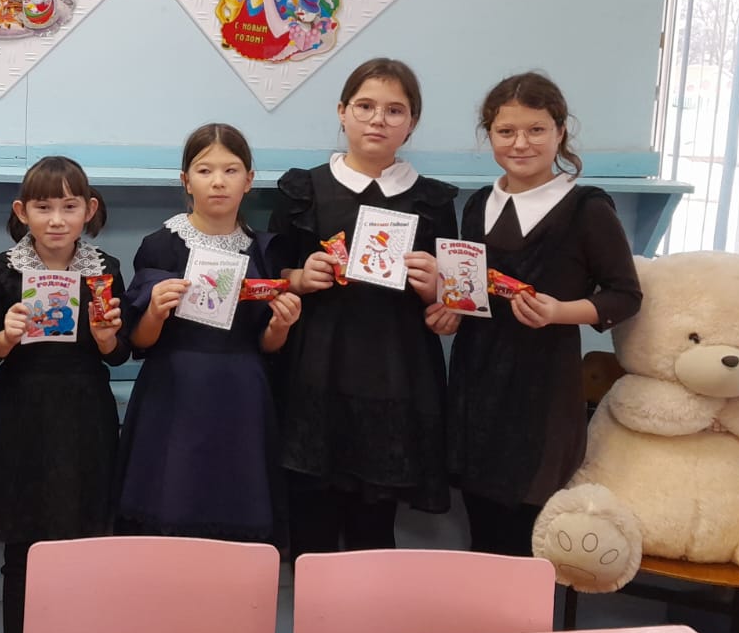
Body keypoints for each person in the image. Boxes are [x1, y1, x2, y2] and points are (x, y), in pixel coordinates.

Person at [444, 72, 643, 556]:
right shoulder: (478, 206)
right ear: (489, 134)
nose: (521, 143)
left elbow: (625, 295)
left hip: (543, 390)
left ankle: (524, 608)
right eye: (506, 131)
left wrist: (560, 311)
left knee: (526, 532)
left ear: (560, 132)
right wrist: (449, 310)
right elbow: (471, 289)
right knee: (481, 526)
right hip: (476, 382)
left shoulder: (586, 209)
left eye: (536, 129)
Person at [270, 58, 456, 557]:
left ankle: (367, 609)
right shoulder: (304, 189)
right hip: (316, 367)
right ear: (342, 112)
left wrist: (434, 290)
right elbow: (270, 274)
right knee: (310, 518)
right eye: (365, 106)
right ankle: (312, 608)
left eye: (395, 110)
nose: (378, 119)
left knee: (374, 524)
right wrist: (300, 277)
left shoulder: (432, 201)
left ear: (412, 122)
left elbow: (451, 301)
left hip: (395, 372)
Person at [115, 124, 301, 542]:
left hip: (242, 395)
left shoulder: (264, 249)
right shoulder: (161, 245)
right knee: (171, 507)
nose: (218, 181)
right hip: (174, 391)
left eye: (231, 170)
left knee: (237, 515)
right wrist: (156, 312)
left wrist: (281, 325)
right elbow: (139, 342)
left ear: (249, 180)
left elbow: (266, 343)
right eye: (205, 170)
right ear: (186, 180)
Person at [0, 157, 128, 633]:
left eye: (69, 206)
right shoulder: (0, 270)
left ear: (89, 210)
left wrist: (106, 337)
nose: (57, 220)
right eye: (43, 207)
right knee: (24, 545)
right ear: (22, 212)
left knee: (84, 542)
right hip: (20, 417)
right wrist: (5, 336)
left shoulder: (105, 270)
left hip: (86, 418)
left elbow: (119, 354)